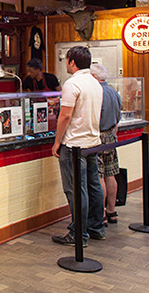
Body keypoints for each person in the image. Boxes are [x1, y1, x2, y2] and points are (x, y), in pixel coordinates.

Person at [51, 46, 105, 247]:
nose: (66, 64)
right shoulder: (95, 82)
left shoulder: (72, 84)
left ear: (72, 62)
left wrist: (57, 142)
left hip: (74, 145)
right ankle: (96, 228)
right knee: (93, 185)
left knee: (75, 189)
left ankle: (78, 234)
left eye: (67, 60)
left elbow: (65, 116)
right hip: (93, 142)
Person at [91, 64, 123, 225]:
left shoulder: (96, 93)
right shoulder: (113, 92)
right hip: (111, 136)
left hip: (98, 138)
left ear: (93, 77)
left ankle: (101, 214)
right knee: (111, 174)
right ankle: (112, 211)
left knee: (99, 176)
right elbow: (118, 117)